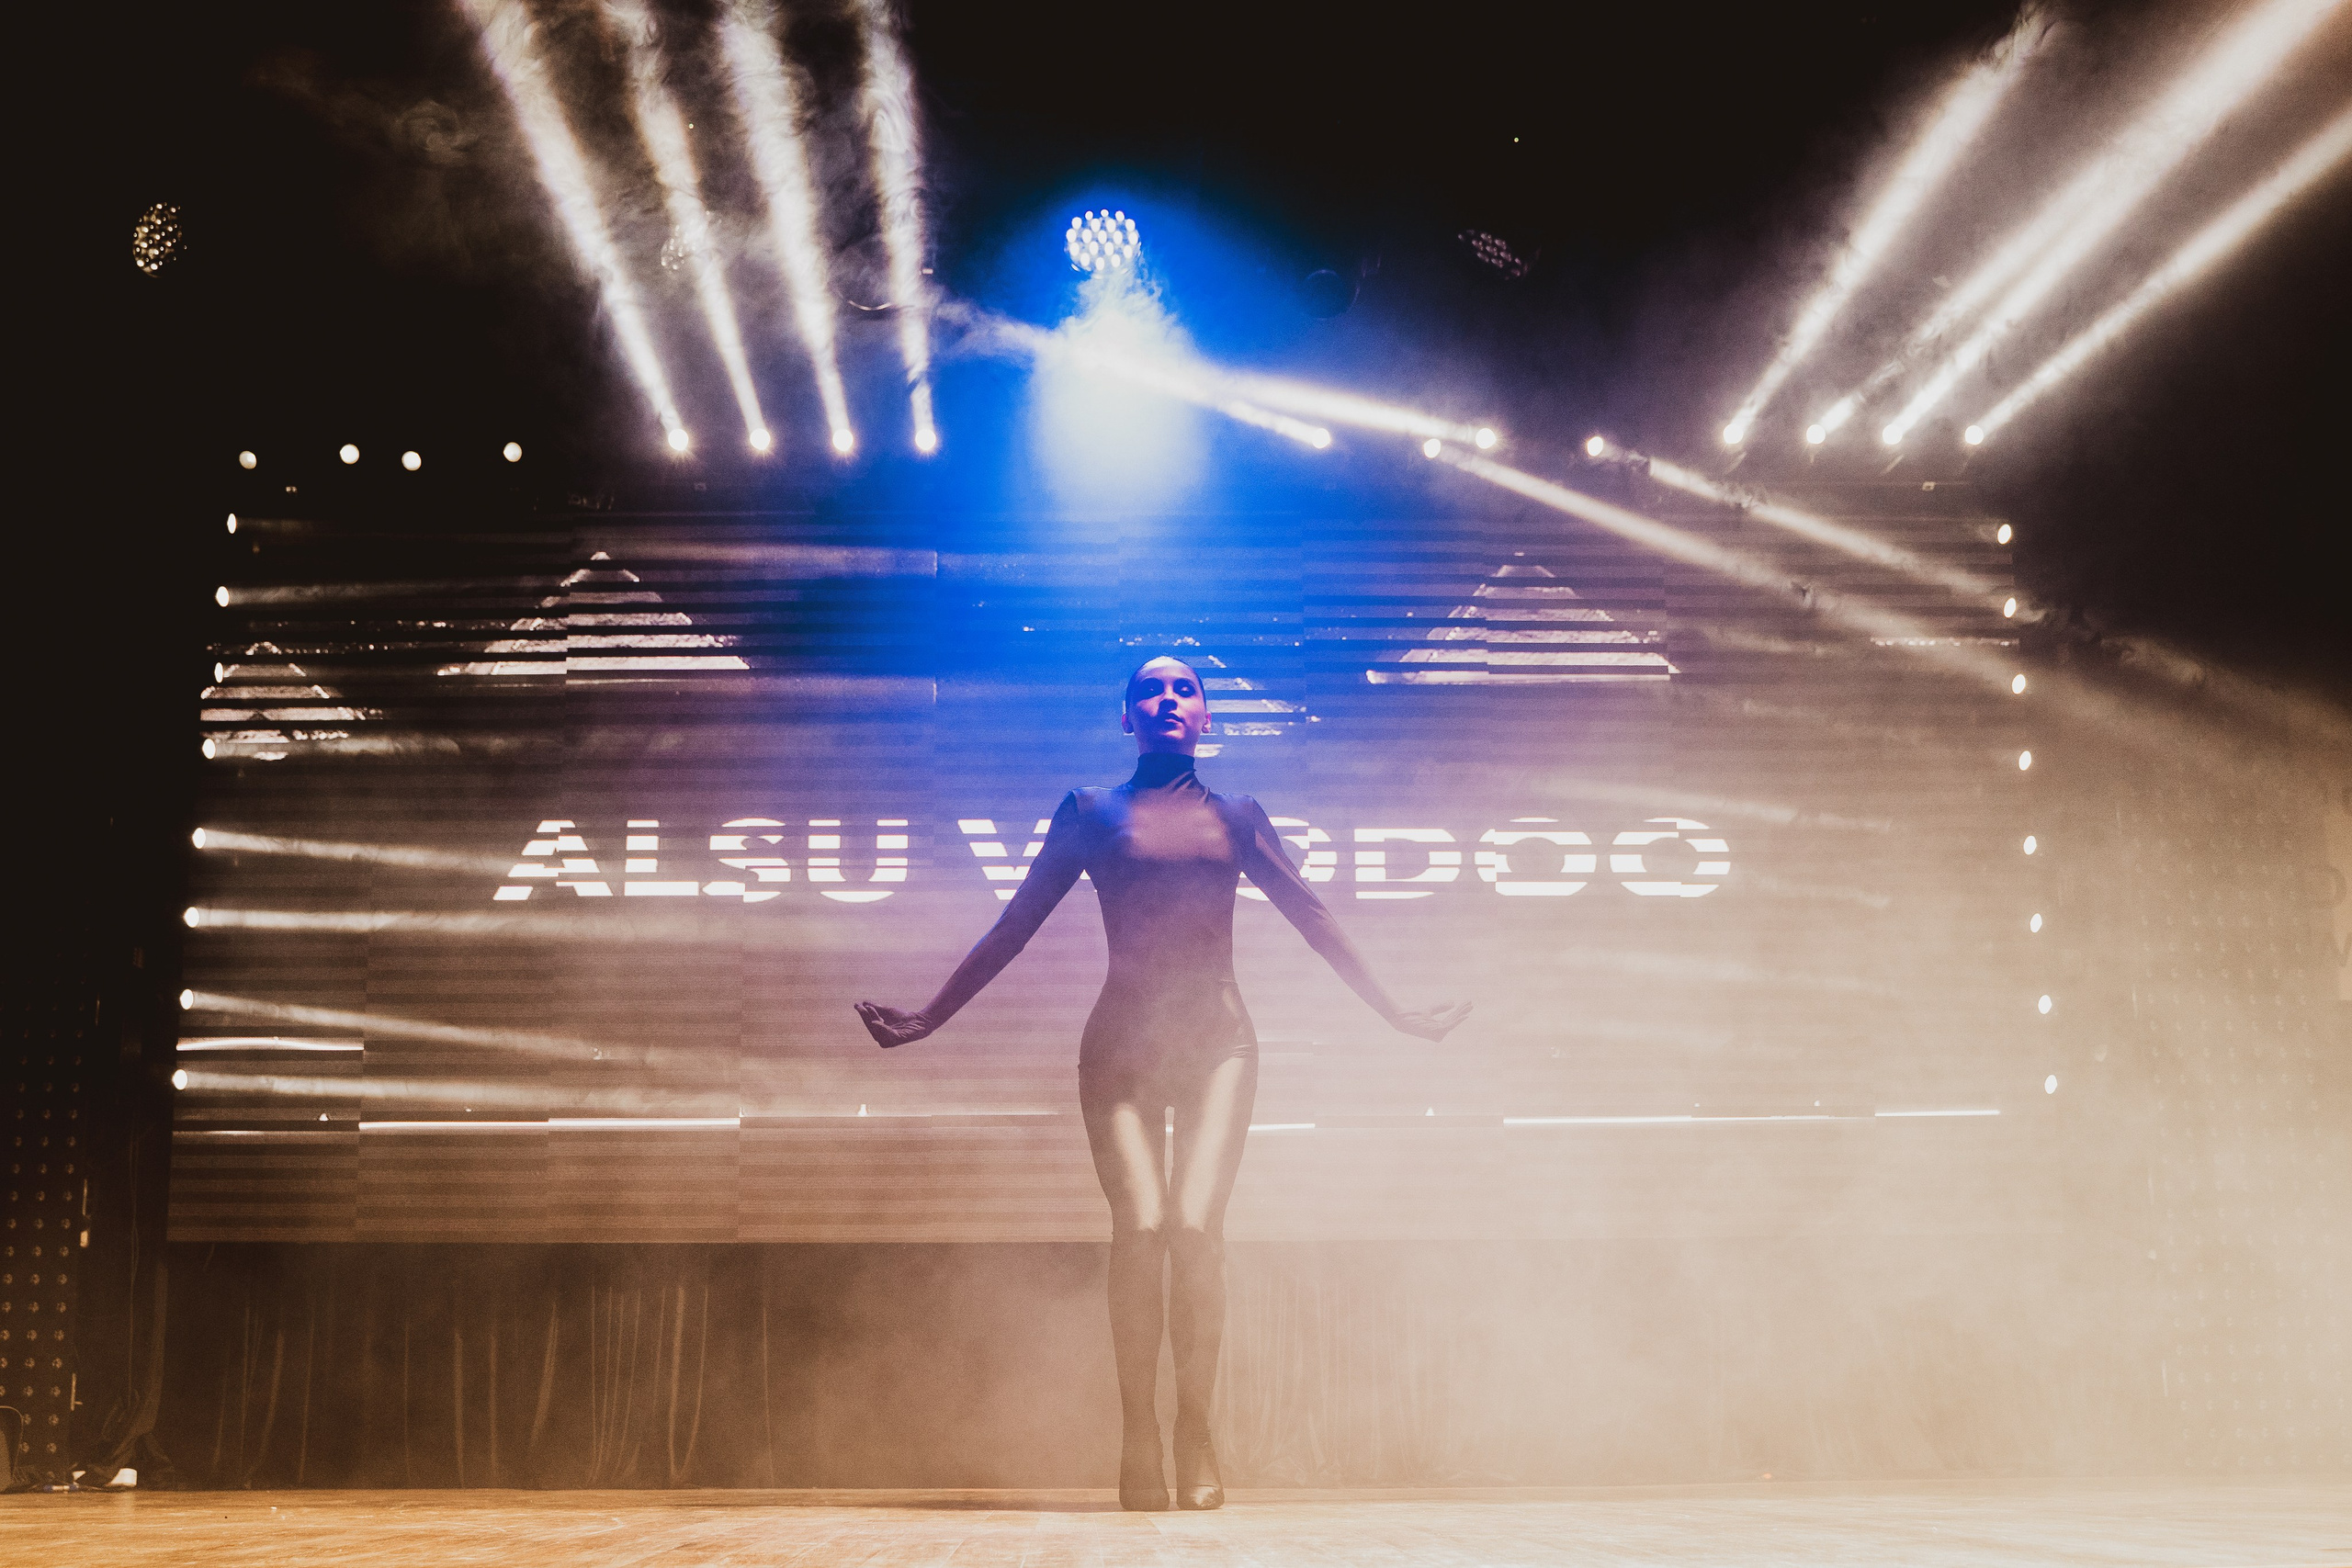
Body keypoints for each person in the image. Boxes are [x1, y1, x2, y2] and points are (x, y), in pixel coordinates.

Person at [856, 656, 1470, 1510]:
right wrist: (931, 1016)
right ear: (1127, 719)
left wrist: (1395, 1011)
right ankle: (1138, 1432)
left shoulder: (1239, 817)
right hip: (1122, 1051)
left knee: (1192, 1225)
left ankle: (1196, 1429)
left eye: (1185, 689)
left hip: (1219, 1045)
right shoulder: (1088, 812)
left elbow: (1314, 918)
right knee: (1141, 1226)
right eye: (1151, 689)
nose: (1168, 699)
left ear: (1207, 717)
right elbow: (1015, 924)